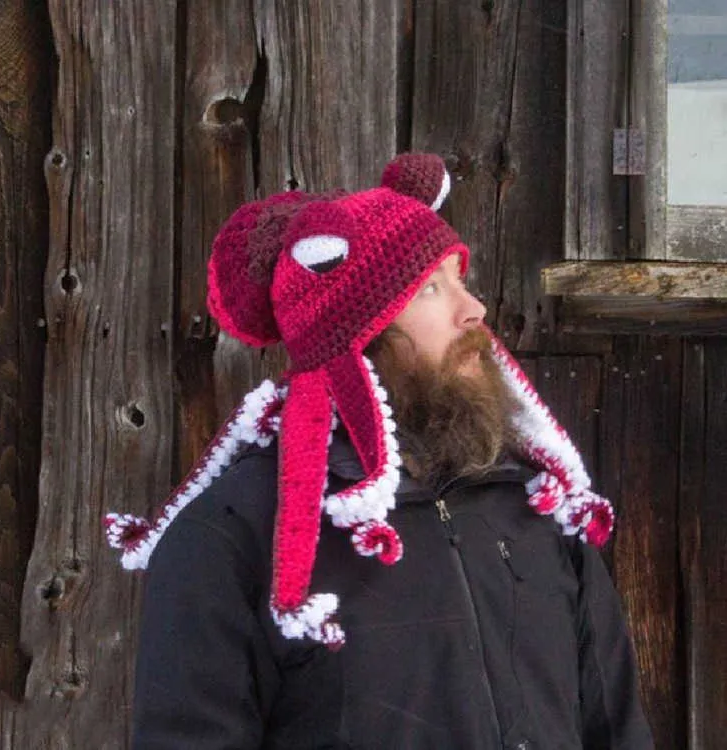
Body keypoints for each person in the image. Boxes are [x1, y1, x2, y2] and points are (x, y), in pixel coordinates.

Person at [106, 153, 654, 749]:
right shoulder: (230, 533)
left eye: (460, 280)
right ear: (357, 334)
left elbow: (616, 728)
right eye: (430, 289)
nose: (473, 310)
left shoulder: (537, 510)